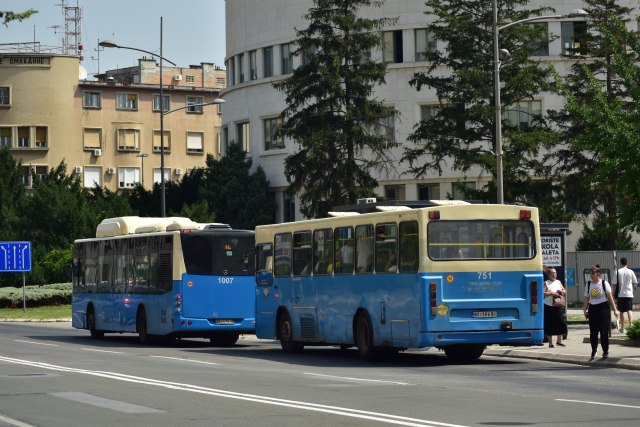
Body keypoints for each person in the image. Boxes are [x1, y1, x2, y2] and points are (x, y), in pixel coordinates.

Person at [583, 266, 619, 360]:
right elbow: (587, 298)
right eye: (590, 274)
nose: (591, 275)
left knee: (604, 332)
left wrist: (615, 309)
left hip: (603, 308)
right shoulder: (588, 284)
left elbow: (610, 297)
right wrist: (584, 310)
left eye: (593, 273)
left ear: (598, 274)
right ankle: (594, 349)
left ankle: (605, 351)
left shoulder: (604, 283)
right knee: (593, 332)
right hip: (593, 308)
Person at [543, 268, 567, 348]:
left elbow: (564, 290)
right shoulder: (546, 283)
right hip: (549, 306)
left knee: (560, 322)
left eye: (555, 273)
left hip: (558, 305)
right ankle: (550, 343)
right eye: (552, 273)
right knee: (550, 324)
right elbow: (543, 293)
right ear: (548, 274)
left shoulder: (558, 282)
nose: (554, 274)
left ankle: (559, 341)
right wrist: (552, 293)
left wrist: (562, 292)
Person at [616, 257, 638, 333]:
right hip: (629, 294)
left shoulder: (618, 271)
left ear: (620, 263)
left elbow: (614, 284)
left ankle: (622, 328)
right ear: (627, 262)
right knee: (629, 310)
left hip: (621, 294)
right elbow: (635, 282)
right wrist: (633, 285)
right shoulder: (630, 271)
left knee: (621, 311)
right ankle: (631, 325)